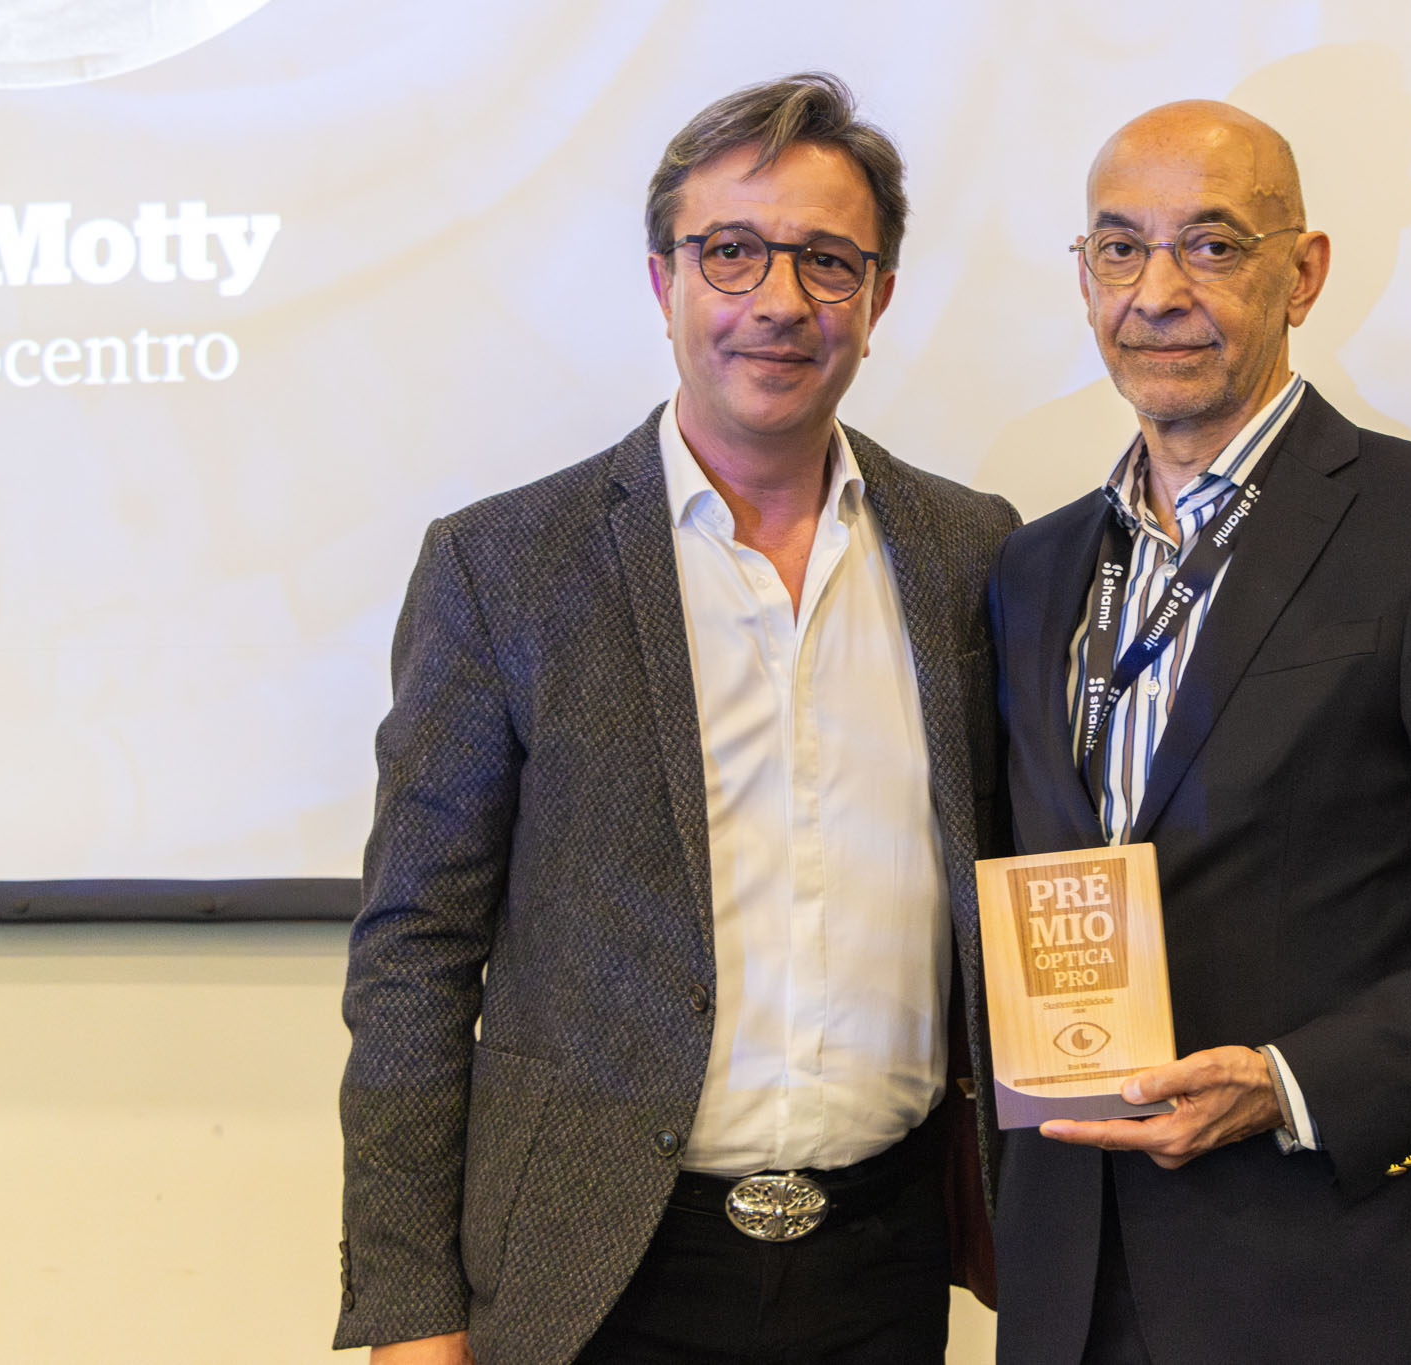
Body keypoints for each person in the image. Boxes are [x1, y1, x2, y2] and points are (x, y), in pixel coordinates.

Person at [335, 73, 1016, 1365]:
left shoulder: (969, 551)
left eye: (826, 260)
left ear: (876, 299)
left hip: (885, 1257)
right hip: (596, 1269)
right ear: (664, 283)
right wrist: (412, 1307)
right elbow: (414, 952)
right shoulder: (505, 567)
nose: (779, 300)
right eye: (732, 252)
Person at [986, 100, 1411, 1364]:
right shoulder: (1034, 567)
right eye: (1119, 249)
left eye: (1212, 245)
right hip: (1075, 1280)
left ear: (1303, 273)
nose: (1157, 293)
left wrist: (1289, 1083)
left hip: (1341, 1282)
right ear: (1082, 279)